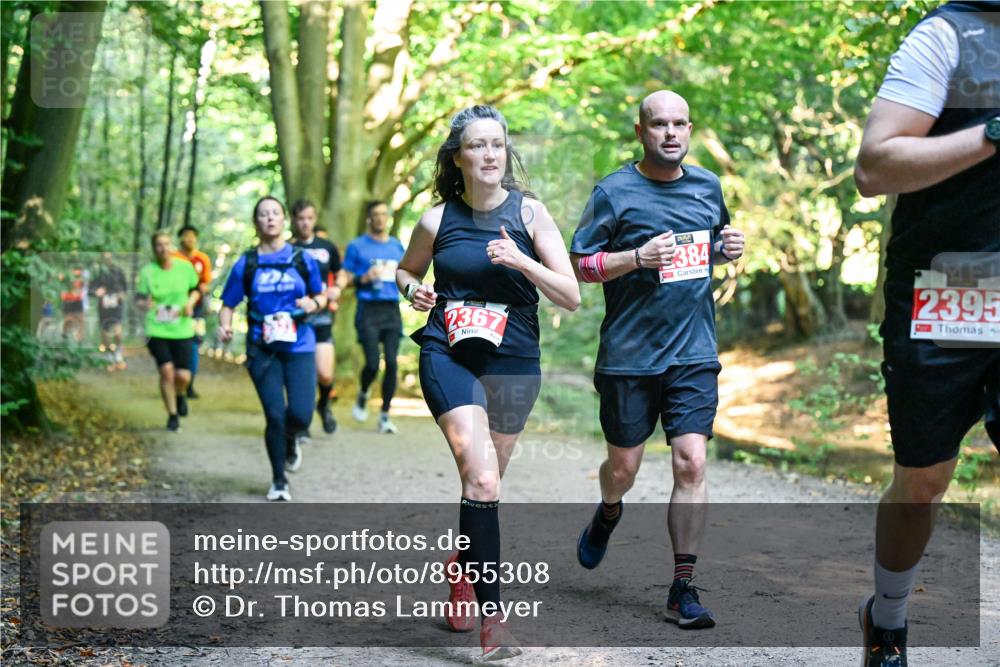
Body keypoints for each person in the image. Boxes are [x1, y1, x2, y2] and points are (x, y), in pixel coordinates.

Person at [397, 105, 580, 662]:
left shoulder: (530, 213)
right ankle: (493, 624)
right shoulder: (436, 219)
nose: (489, 154)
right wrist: (412, 291)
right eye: (477, 145)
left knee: (488, 482)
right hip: (448, 353)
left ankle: (462, 566)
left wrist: (522, 262)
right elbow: (406, 270)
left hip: (514, 359)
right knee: (480, 480)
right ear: (457, 157)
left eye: (497, 144)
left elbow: (570, 295)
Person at [854, 2, 999, 664]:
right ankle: (887, 619)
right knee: (922, 483)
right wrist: (993, 133)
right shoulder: (948, 35)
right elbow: (875, 168)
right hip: (946, 289)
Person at [569, 91, 745, 630]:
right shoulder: (614, 192)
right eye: (659, 124)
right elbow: (580, 264)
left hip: (693, 352)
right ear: (641, 132)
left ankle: (681, 588)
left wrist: (726, 249)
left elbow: (707, 248)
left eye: (679, 124)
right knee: (623, 469)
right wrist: (636, 257)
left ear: (690, 129)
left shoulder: (708, 186)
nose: (670, 133)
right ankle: (609, 510)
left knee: (691, 461)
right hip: (629, 356)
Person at [218, 196, 326, 502]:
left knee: (301, 416)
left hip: (300, 345)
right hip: (262, 349)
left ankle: (291, 440)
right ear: (256, 222)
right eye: (263, 214)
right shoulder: (247, 263)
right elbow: (228, 304)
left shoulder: (303, 259)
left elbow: (320, 296)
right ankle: (279, 480)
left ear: (283, 220)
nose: (269, 218)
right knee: (275, 415)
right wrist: (224, 326)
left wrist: (312, 304)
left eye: (275, 213)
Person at [341, 201, 406, 434]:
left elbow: (406, 275)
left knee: (392, 362)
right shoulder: (357, 246)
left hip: (391, 309)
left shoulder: (396, 246)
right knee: (371, 363)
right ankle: (363, 392)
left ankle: (385, 416)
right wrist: (364, 278)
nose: (380, 218)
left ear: (388, 217)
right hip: (368, 309)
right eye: (375, 214)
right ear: (369, 218)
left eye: (383, 214)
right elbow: (344, 279)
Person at [136, 232, 201, 432]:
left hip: (181, 328)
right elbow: (138, 299)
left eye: (166, 244)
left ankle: (180, 394)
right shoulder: (147, 272)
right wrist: (144, 304)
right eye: (158, 244)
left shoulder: (185, 267)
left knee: (183, 376)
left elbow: (196, 289)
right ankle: (172, 416)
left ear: (171, 246)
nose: (163, 248)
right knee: (166, 372)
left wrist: (190, 303)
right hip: (156, 329)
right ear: (154, 248)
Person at [291, 199, 343, 435]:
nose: (305, 223)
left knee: (325, 373)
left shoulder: (326, 247)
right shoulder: (287, 248)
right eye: (301, 218)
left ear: (315, 219)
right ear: (293, 220)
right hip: (295, 318)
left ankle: (324, 405)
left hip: (321, 316)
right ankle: (301, 422)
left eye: (309, 218)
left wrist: (337, 289)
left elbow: (340, 273)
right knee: (302, 374)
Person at [174, 225, 213, 398]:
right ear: (180, 239)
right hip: (175, 308)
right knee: (176, 344)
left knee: (194, 345)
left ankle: (189, 384)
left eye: (192, 236)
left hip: (196, 309)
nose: (189, 239)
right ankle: (175, 382)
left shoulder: (202, 259)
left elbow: (206, 283)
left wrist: (202, 295)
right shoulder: (173, 258)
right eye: (186, 236)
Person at [91, 252, 129, 370]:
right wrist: (96, 292)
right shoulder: (97, 273)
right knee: (105, 333)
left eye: (109, 257)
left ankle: (118, 354)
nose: (107, 260)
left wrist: (122, 295)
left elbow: (125, 288)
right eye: (104, 258)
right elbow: (90, 290)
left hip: (116, 305)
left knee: (118, 332)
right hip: (103, 307)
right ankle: (109, 356)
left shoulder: (118, 272)